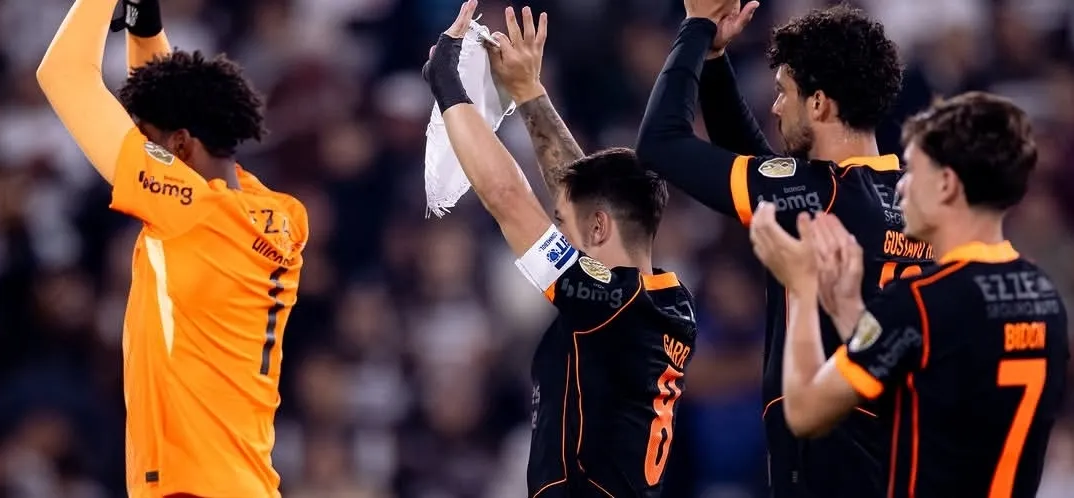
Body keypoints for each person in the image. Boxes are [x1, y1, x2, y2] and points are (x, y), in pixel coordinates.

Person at [635, 1, 922, 495]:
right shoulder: (907, 195)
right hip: (899, 456)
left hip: (829, 462)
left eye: (784, 92)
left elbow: (660, 143)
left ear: (819, 104)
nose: (775, 107)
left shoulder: (817, 194)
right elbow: (762, 169)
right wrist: (715, 58)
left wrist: (696, 27)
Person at [424, 2, 697, 496]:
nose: (554, 231)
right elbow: (581, 195)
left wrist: (447, 84)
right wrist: (529, 91)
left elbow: (507, 198)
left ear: (598, 227)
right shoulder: (665, 302)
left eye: (561, 225)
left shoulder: (609, 303)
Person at [37, 1, 307, 496]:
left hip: (192, 487)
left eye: (147, 142)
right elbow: (170, 112)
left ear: (180, 145)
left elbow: (62, 74)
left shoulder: (191, 211)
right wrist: (144, 27)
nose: (139, 150)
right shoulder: (278, 214)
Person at [750, 91, 1069, 498]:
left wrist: (801, 287)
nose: (900, 187)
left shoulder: (921, 301)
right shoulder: (1044, 297)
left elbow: (804, 412)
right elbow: (933, 394)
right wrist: (849, 310)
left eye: (913, 171)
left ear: (946, 185)